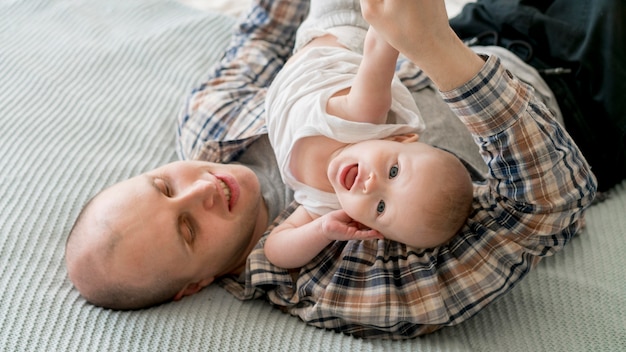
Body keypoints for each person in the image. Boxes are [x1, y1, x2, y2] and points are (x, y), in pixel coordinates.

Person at [65, 0, 599, 339]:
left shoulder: (212, 123)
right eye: (187, 229)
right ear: (194, 285)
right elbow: (548, 209)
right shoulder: (336, 282)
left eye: (164, 185)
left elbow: (266, 32)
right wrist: (437, 52)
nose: (201, 189)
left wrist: (422, 35)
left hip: (477, 27)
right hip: (576, 97)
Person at [263, 1, 473, 269]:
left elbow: (275, 251)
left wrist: (322, 232)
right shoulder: (364, 116)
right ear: (397, 139)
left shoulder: (326, 205)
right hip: (340, 23)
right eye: (394, 172)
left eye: (381, 208)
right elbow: (380, 43)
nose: (371, 185)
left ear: (364, 224)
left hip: (299, 52)